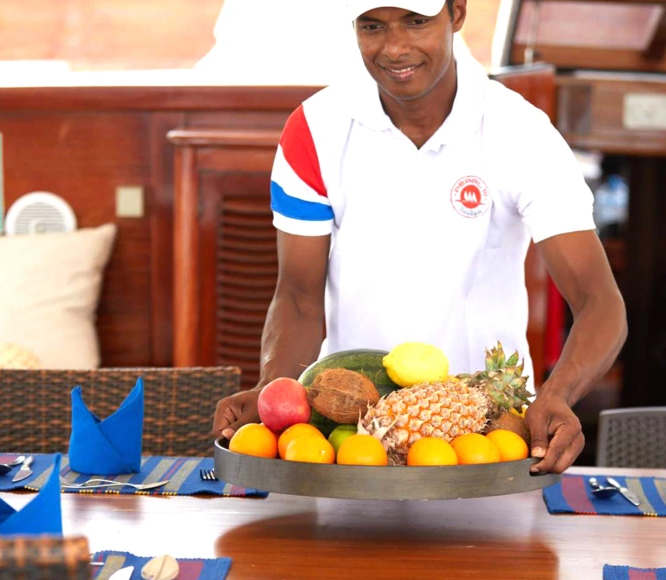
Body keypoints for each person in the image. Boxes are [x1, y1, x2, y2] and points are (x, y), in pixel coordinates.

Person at [212, 0, 627, 475]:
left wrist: (557, 395)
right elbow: (300, 298)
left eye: (415, 21)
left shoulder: (522, 132)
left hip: (489, 441)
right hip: (350, 441)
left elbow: (600, 301)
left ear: (457, 13)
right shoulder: (313, 130)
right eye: (373, 26)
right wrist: (274, 393)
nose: (394, 47)